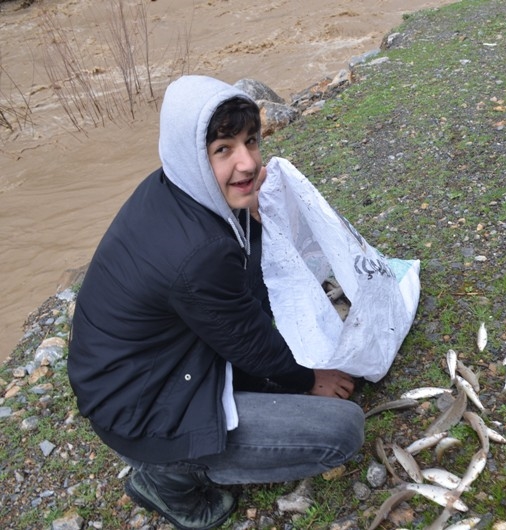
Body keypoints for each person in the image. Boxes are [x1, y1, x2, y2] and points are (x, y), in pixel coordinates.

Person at [67, 75, 365, 530]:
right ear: (193, 155)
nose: (247, 162)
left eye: (250, 141)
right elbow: (248, 340)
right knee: (342, 430)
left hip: (156, 360)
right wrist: (310, 379)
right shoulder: (198, 251)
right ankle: (167, 477)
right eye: (223, 149)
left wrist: (253, 215)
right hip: (139, 406)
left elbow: (239, 295)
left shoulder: (179, 187)